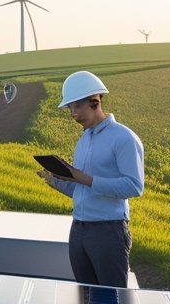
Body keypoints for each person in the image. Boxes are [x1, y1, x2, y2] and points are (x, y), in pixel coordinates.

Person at [38, 71, 144, 287]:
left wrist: (84, 178)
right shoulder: (84, 139)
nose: (73, 114)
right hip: (78, 229)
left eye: (77, 106)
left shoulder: (123, 138)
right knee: (86, 297)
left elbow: (134, 186)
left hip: (108, 230)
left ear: (95, 102)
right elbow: (83, 188)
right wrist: (57, 180)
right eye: (69, 108)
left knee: (111, 300)